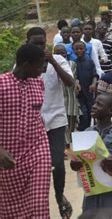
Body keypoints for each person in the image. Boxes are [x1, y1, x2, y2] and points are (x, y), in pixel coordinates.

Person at [26, 27, 75, 218]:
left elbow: (70, 83)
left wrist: (53, 61)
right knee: (37, 166)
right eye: (35, 44)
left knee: (58, 163)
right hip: (33, 121)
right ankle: (35, 202)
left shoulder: (59, 60)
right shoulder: (23, 63)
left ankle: (60, 195)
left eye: (42, 43)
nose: (39, 47)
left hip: (56, 119)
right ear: (27, 42)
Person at [0, 44, 51, 218]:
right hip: (8, 156)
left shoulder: (39, 83)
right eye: (39, 65)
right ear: (25, 65)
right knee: (9, 210)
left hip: (37, 150)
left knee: (39, 202)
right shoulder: (2, 85)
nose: (42, 69)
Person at [70, 93, 112, 212]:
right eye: (94, 103)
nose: (94, 106)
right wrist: (75, 164)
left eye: (99, 104)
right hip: (93, 189)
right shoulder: (87, 133)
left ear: (110, 110)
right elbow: (78, 162)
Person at [73, 41, 99, 131]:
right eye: (76, 49)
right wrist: (76, 82)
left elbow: (95, 75)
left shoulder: (90, 62)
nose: (79, 51)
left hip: (89, 92)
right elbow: (73, 76)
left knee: (92, 113)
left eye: (81, 49)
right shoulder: (74, 63)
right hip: (80, 95)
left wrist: (93, 83)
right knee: (83, 115)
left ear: (85, 50)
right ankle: (84, 133)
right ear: (73, 51)